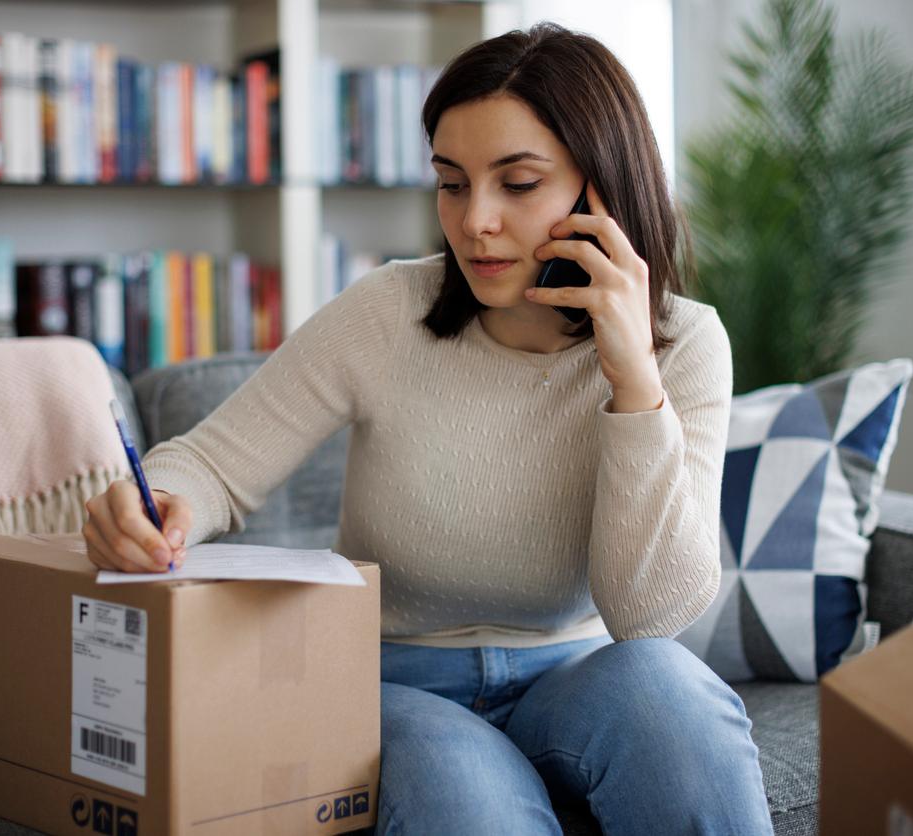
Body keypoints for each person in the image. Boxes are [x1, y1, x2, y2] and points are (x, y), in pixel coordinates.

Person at [83, 22, 773, 836]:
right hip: (395, 683)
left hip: (582, 672)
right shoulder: (388, 310)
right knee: (467, 801)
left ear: (603, 191)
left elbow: (649, 620)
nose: (473, 220)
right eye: (452, 183)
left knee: (673, 701)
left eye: (516, 184)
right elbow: (214, 462)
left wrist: (632, 383)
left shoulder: (683, 344)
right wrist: (156, 499)